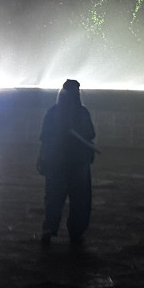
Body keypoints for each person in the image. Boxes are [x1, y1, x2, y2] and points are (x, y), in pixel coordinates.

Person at [37, 79, 96, 246]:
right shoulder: (81, 112)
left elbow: (44, 138)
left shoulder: (54, 112)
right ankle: (74, 231)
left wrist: (42, 156)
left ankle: (51, 227)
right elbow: (90, 135)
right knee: (78, 200)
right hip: (75, 163)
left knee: (55, 197)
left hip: (61, 162)